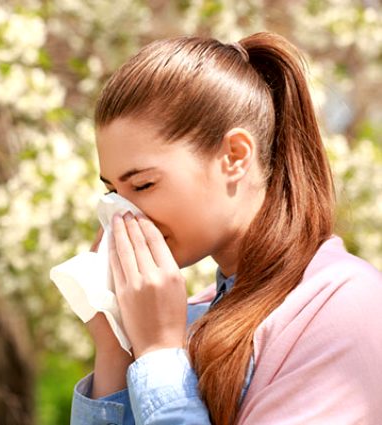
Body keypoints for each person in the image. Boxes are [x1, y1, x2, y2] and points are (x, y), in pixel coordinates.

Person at [69, 32, 382, 425]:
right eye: (113, 190)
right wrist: (117, 347)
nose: (122, 212)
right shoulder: (191, 316)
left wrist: (159, 355)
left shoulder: (340, 306)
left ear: (234, 156)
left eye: (144, 184)